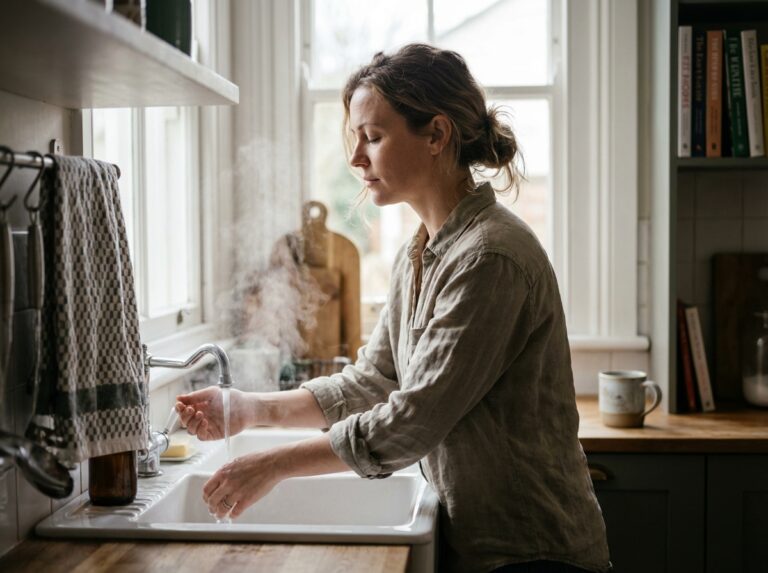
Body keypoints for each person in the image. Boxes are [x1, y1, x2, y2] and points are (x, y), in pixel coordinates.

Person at [176, 43, 612, 573]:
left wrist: (273, 465)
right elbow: (374, 380)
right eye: (356, 140)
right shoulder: (424, 250)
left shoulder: (490, 257)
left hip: (534, 555)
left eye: (374, 138)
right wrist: (248, 409)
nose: (357, 159)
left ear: (436, 134)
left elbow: (411, 422)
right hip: (483, 549)